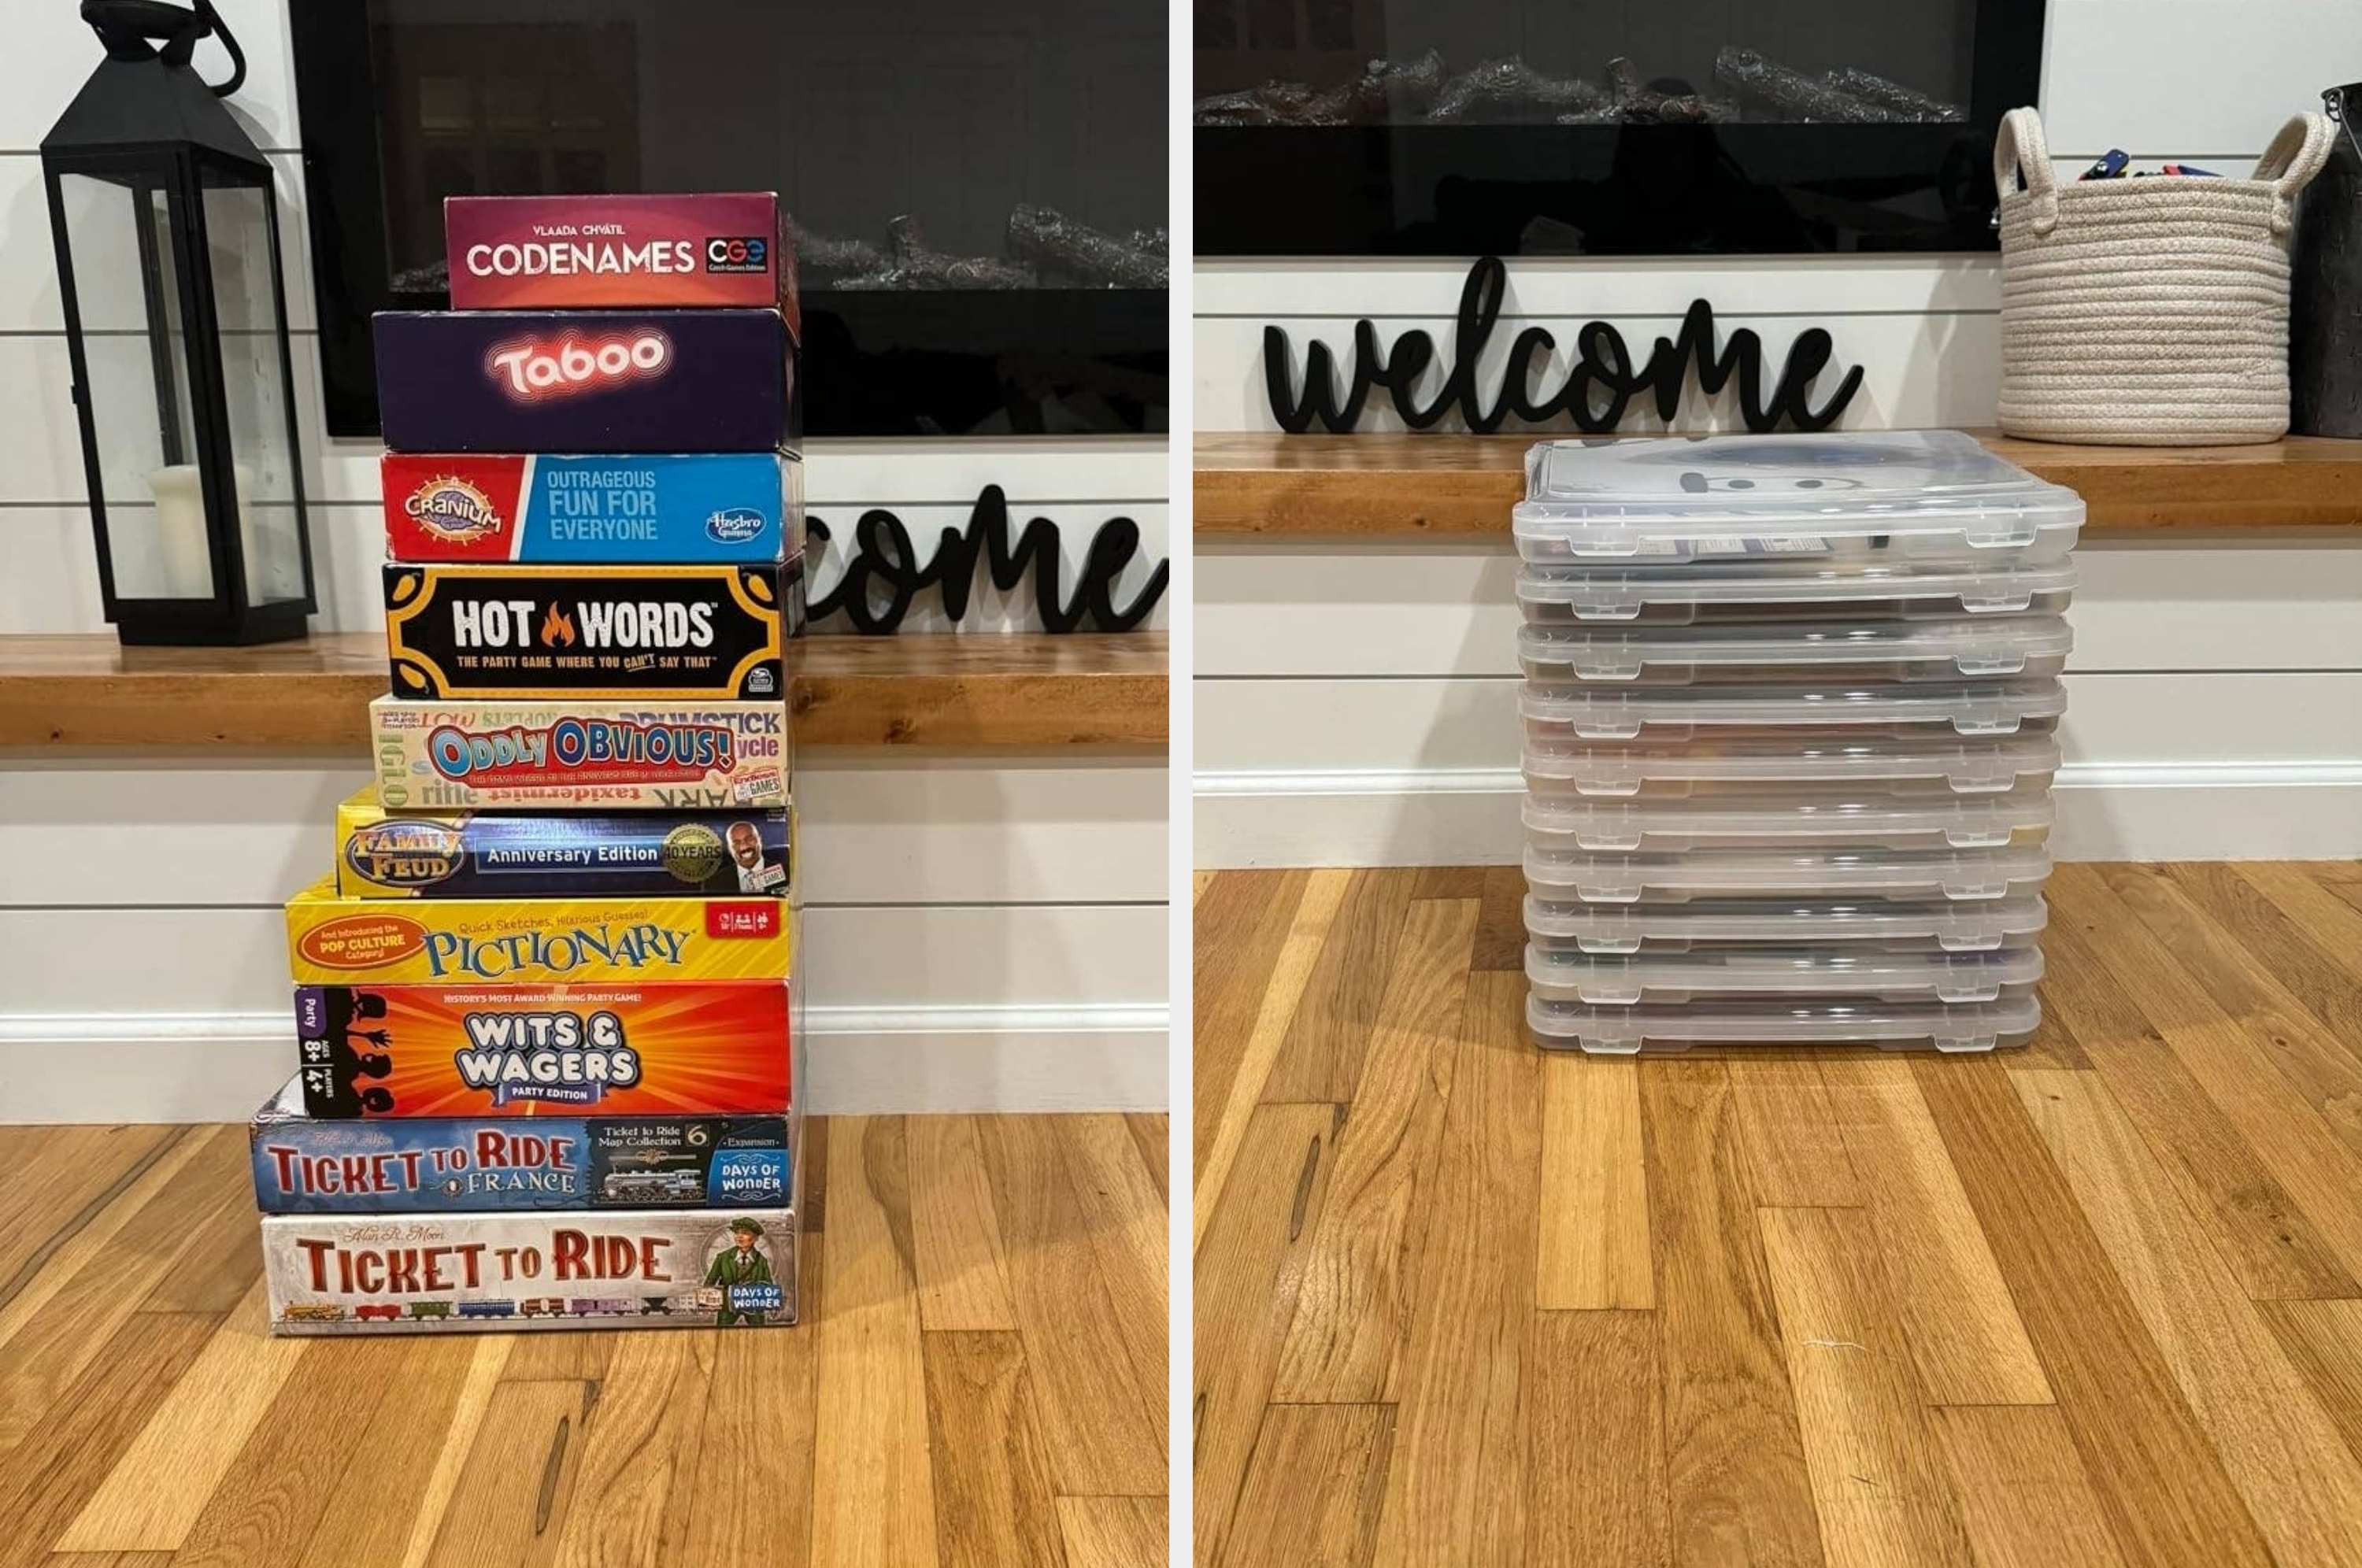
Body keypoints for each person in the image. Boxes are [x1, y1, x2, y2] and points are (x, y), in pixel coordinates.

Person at [703, 1216, 776, 1326]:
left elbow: (768, 1285)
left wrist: (772, 1306)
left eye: (745, 1233)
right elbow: (710, 1281)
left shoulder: (761, 1261)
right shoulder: (723, 1258)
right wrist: (706, 1303)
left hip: (753, 1307)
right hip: (728, 1306)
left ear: (755, 1238)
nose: (739, 1237)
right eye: (737, 1233)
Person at [726, 820, 783, 893]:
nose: (744, 847)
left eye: (749, 839)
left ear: (760, 840)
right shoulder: (713, 883)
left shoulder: (785, 872)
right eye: (736, 843)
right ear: (729, 849)